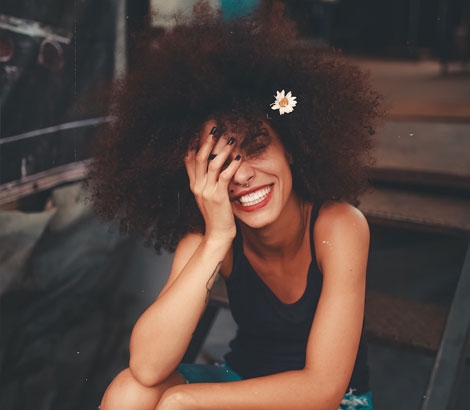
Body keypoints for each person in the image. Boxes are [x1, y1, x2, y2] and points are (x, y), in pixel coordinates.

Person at [88, 1, 383, 409]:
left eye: (255, 148)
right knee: (128, 391)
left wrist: (187, 402)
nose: (240, 175)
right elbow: (147, 366)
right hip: (242, 380)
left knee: (177, 405)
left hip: (331, 402)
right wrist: (218, 238)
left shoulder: (338, 227)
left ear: (292, 148)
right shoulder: (210, 234)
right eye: (219, 162)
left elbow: (322, 390)